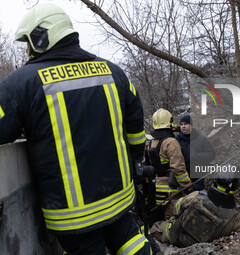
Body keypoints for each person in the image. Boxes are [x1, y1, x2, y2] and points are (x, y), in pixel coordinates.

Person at [0, 3, 151, 255]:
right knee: (130, 241)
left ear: (41, 37)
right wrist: (136, 157)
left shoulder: (21, 84)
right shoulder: (114, 72)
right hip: (120, 197)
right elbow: (136, 123)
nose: (26, 50)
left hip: (74, 214)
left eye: (27, 42)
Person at [149, 173, 240, 247]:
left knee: (154, 230)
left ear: (215, 181)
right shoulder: (238, 218)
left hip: (174, 236)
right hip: (202, 247)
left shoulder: (196, 196)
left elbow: (176, 209)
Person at [148, 108, 192, 221]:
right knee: (172, 217)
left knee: (162, 217)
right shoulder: (171, 142)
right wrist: (188, 186)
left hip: (158, 187)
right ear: (169, 121)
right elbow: (178, 168)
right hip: (171, 189)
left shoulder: (152, 141)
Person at [176, 115, 215, 190]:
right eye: (181, 124)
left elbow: (211, 154)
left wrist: (197, 156)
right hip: (183, 177)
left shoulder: (201, 139)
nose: (183, 126)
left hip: (199, 177)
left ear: (191, 125)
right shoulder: (177, 140)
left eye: (186, 124)